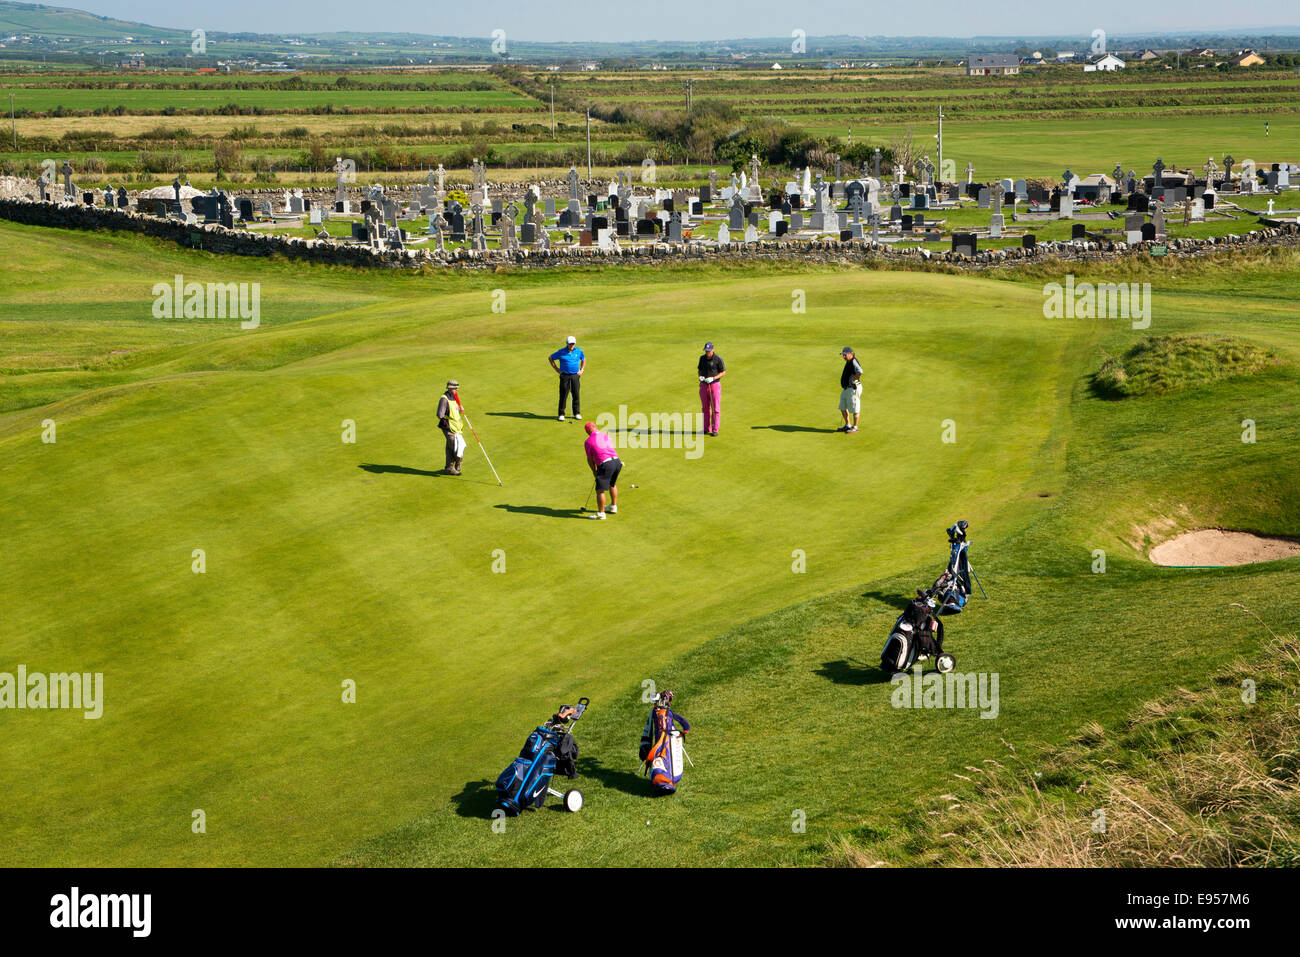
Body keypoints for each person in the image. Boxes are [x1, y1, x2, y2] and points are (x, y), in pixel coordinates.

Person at [583, 420, 621, 520]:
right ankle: (613, 506)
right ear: (595, 427)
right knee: (612, 484)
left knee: (600, 490)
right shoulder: (606, 435)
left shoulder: (588, 441)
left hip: (606, 464)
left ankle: (601, 513)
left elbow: (590, 459)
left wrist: (594, 471)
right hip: (617, 461)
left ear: (587, 432)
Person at [548, 335, 586, 422]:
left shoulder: (579, 351)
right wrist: (557, 369)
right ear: (567, 344)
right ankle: (561, 414)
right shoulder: (561, 352)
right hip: (564, 375)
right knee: (563, 395)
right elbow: (550, 358)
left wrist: (582, 370)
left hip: (575, 376)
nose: (571, 345)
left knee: (576, 394)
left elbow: (583, 359)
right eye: (570, 344)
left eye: (573, 344)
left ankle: (577, 413)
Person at [436, 379, 466, 475]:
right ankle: (458, 462)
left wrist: (460, 409)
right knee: (455, 446)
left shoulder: (454, 397)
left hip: (456, 426)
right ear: (450, 388)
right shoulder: (444, 399)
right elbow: (439, 414)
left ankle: (449, 468)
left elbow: (455, 410)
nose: (456, 390)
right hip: (448, 426)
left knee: (451, 447)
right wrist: (447, 416)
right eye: (455, 388)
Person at [697, 341, 726, 436]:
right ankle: (706, 428)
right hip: (704, 385)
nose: (707, 353)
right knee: (705, 408)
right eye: (706, 351)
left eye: (709, 351)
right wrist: (700, 377)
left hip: (714, 385)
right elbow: (699, 370)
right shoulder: (702, 358)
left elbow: (723, 372)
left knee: (715, 408)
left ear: (713, 350)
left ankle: (715, 429)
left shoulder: (718, 359)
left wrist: (713, 378)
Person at [837, 346, 863, 434]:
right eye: (843, 355)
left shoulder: (853, 361)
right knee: (842, 406)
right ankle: (847, 425)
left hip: (853, 388)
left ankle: (855, 427)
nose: (843, 357)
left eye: (845, 355)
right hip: (846, 389)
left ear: (850, 354)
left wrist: (854, 380)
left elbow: (860, 371)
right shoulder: (848, 361)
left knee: (855, 408)